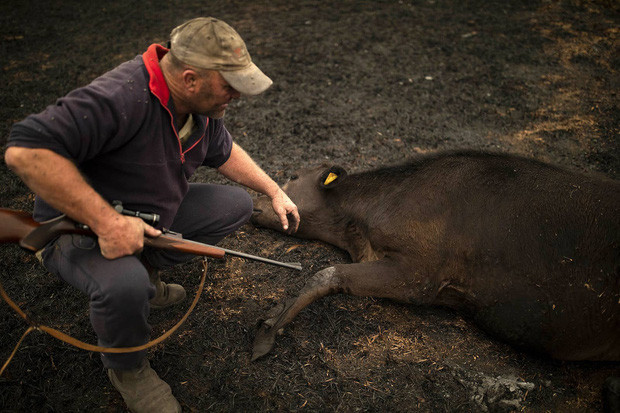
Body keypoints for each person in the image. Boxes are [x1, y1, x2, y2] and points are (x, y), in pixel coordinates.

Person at [4, 17, 299, 412]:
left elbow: (223, 150)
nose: (237, 95)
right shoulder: (118, 98)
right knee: (124, 286)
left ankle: (147, 272)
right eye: (229, 86)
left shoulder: (199, 107)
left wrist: (273, 190)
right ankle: (127, 369)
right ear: (190, 79)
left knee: (237, 206)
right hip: (76, 230)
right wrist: (107, 222)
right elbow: (24, 151)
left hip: (147, 218)